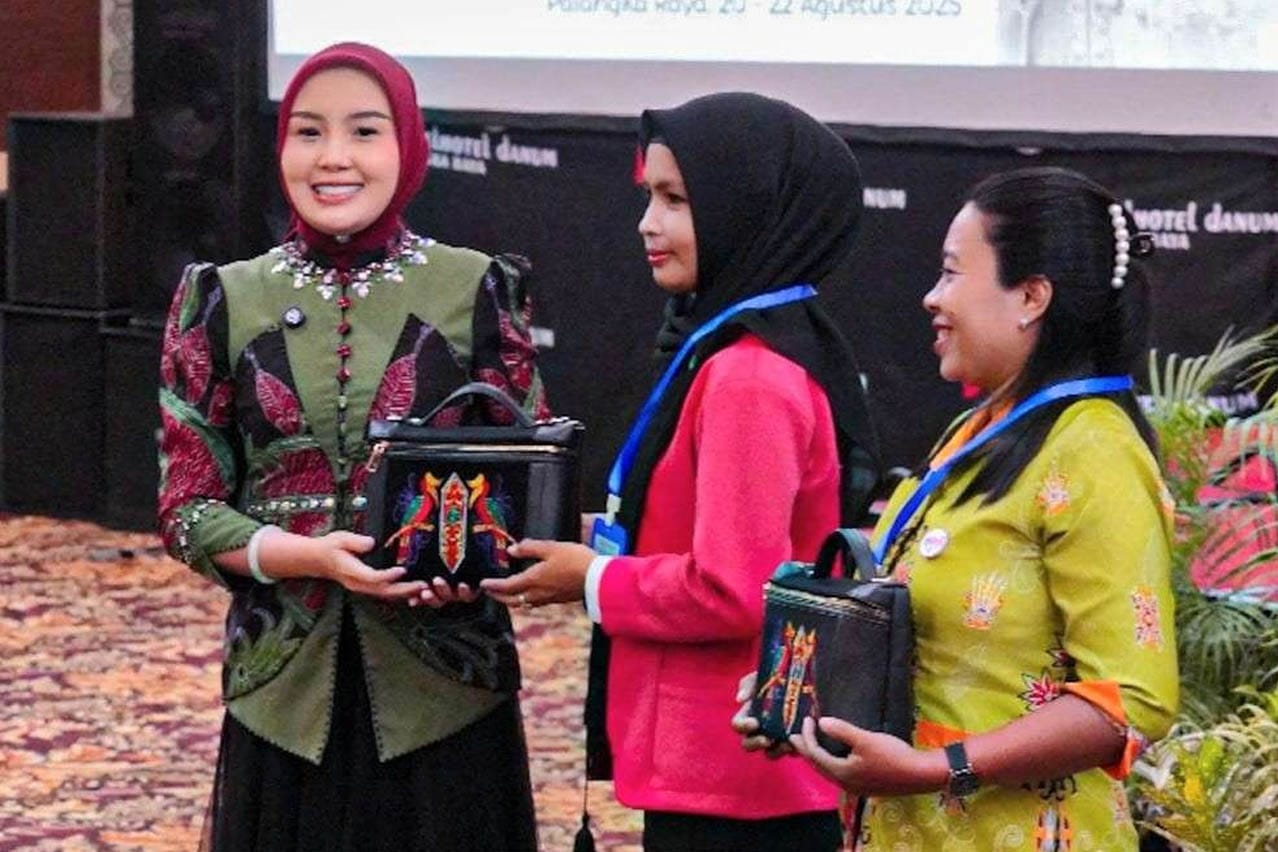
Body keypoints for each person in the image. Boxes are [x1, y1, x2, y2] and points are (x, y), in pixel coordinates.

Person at [157, 42, 545, 851]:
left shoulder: (475, 287)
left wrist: (472, 563)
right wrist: (306, 557)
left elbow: (526, 487)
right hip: (283, 695)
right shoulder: (224, 297)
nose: (333, 157)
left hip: (445, 692)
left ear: (409, 145)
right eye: (308, 132)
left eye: (365, 131)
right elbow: (186, 508)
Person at [480, 92, 880, 852]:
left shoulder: (749, 376)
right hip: (727, 771)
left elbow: (733, 587)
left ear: (747, 211)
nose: (647, 223)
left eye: (675, 200)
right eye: (649, 196)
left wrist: (592, 578)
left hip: (737, 779)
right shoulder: (734, 348)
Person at [739, 166, 1179, 850]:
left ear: (1030, 296)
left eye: (950, 273)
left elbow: (1132, 698)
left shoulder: (1094, 450)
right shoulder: (980, 431)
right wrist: (800, 697)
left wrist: (933, 769)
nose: (932, 297)